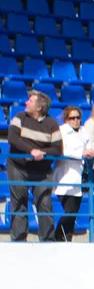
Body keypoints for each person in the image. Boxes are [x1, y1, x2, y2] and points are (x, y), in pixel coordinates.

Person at [7, 90, 61, 242]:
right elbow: (12, 138)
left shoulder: (52, 124)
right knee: (19, 202)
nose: (26, 103)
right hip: (18, 167)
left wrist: (41, 153)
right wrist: (31, 151)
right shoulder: (19, 117)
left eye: (30, 101)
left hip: (41, 171)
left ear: (39, 107)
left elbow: (57, 149)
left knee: (45, 203)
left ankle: (47, 241)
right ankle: (18, 240)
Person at [51, 106, 86, 241]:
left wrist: (90, 152)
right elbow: (62, 151)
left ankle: (67, 238)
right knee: (70, 211)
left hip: (79, 176)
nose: (75, 120)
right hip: (65, 175)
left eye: (78, 118)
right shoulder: (62, 131)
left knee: (74, 213)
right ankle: (57, 237)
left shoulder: (84, 132)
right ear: (66, 119)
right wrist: (82, 154)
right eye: (72, 118)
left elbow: (89, 147)